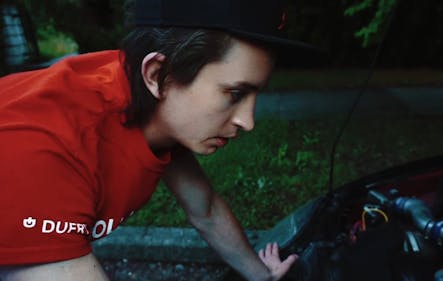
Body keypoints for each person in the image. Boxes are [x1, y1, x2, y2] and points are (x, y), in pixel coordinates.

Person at [0, 0, 323, 280]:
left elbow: (205, 209)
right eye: (235, 94)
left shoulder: (150, 102)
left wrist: (264, 276)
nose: (248, 121)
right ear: (157, 74)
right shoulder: (46, 148)